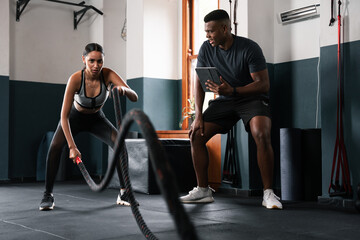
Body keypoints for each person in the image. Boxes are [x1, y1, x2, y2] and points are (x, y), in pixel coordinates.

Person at [180, 9, 282, 209]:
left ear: (225, 28)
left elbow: (263, 84)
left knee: (261, 133)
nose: (207, 35)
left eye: (211, 31)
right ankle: (203, 190)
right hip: (226, 100)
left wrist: (234, 89)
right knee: (196, 135)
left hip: (251, 98)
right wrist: (198, 115)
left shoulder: (249, 48)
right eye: (206, 31)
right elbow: (199, 82)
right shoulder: (207, 48)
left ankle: (269, 193)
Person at [39, 43, 138, 211]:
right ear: (84, 59)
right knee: (55, 147)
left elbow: (134, 96)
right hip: (74, 118)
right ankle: (48, 194)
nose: (96, 65)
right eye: (91, 61)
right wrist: (72, 147)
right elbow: (63, 117)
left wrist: (123, 90)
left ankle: (123, 192)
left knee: (120, 145)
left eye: (100, 61)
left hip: (97, 119)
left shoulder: (108, 74)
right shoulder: (76, 79)